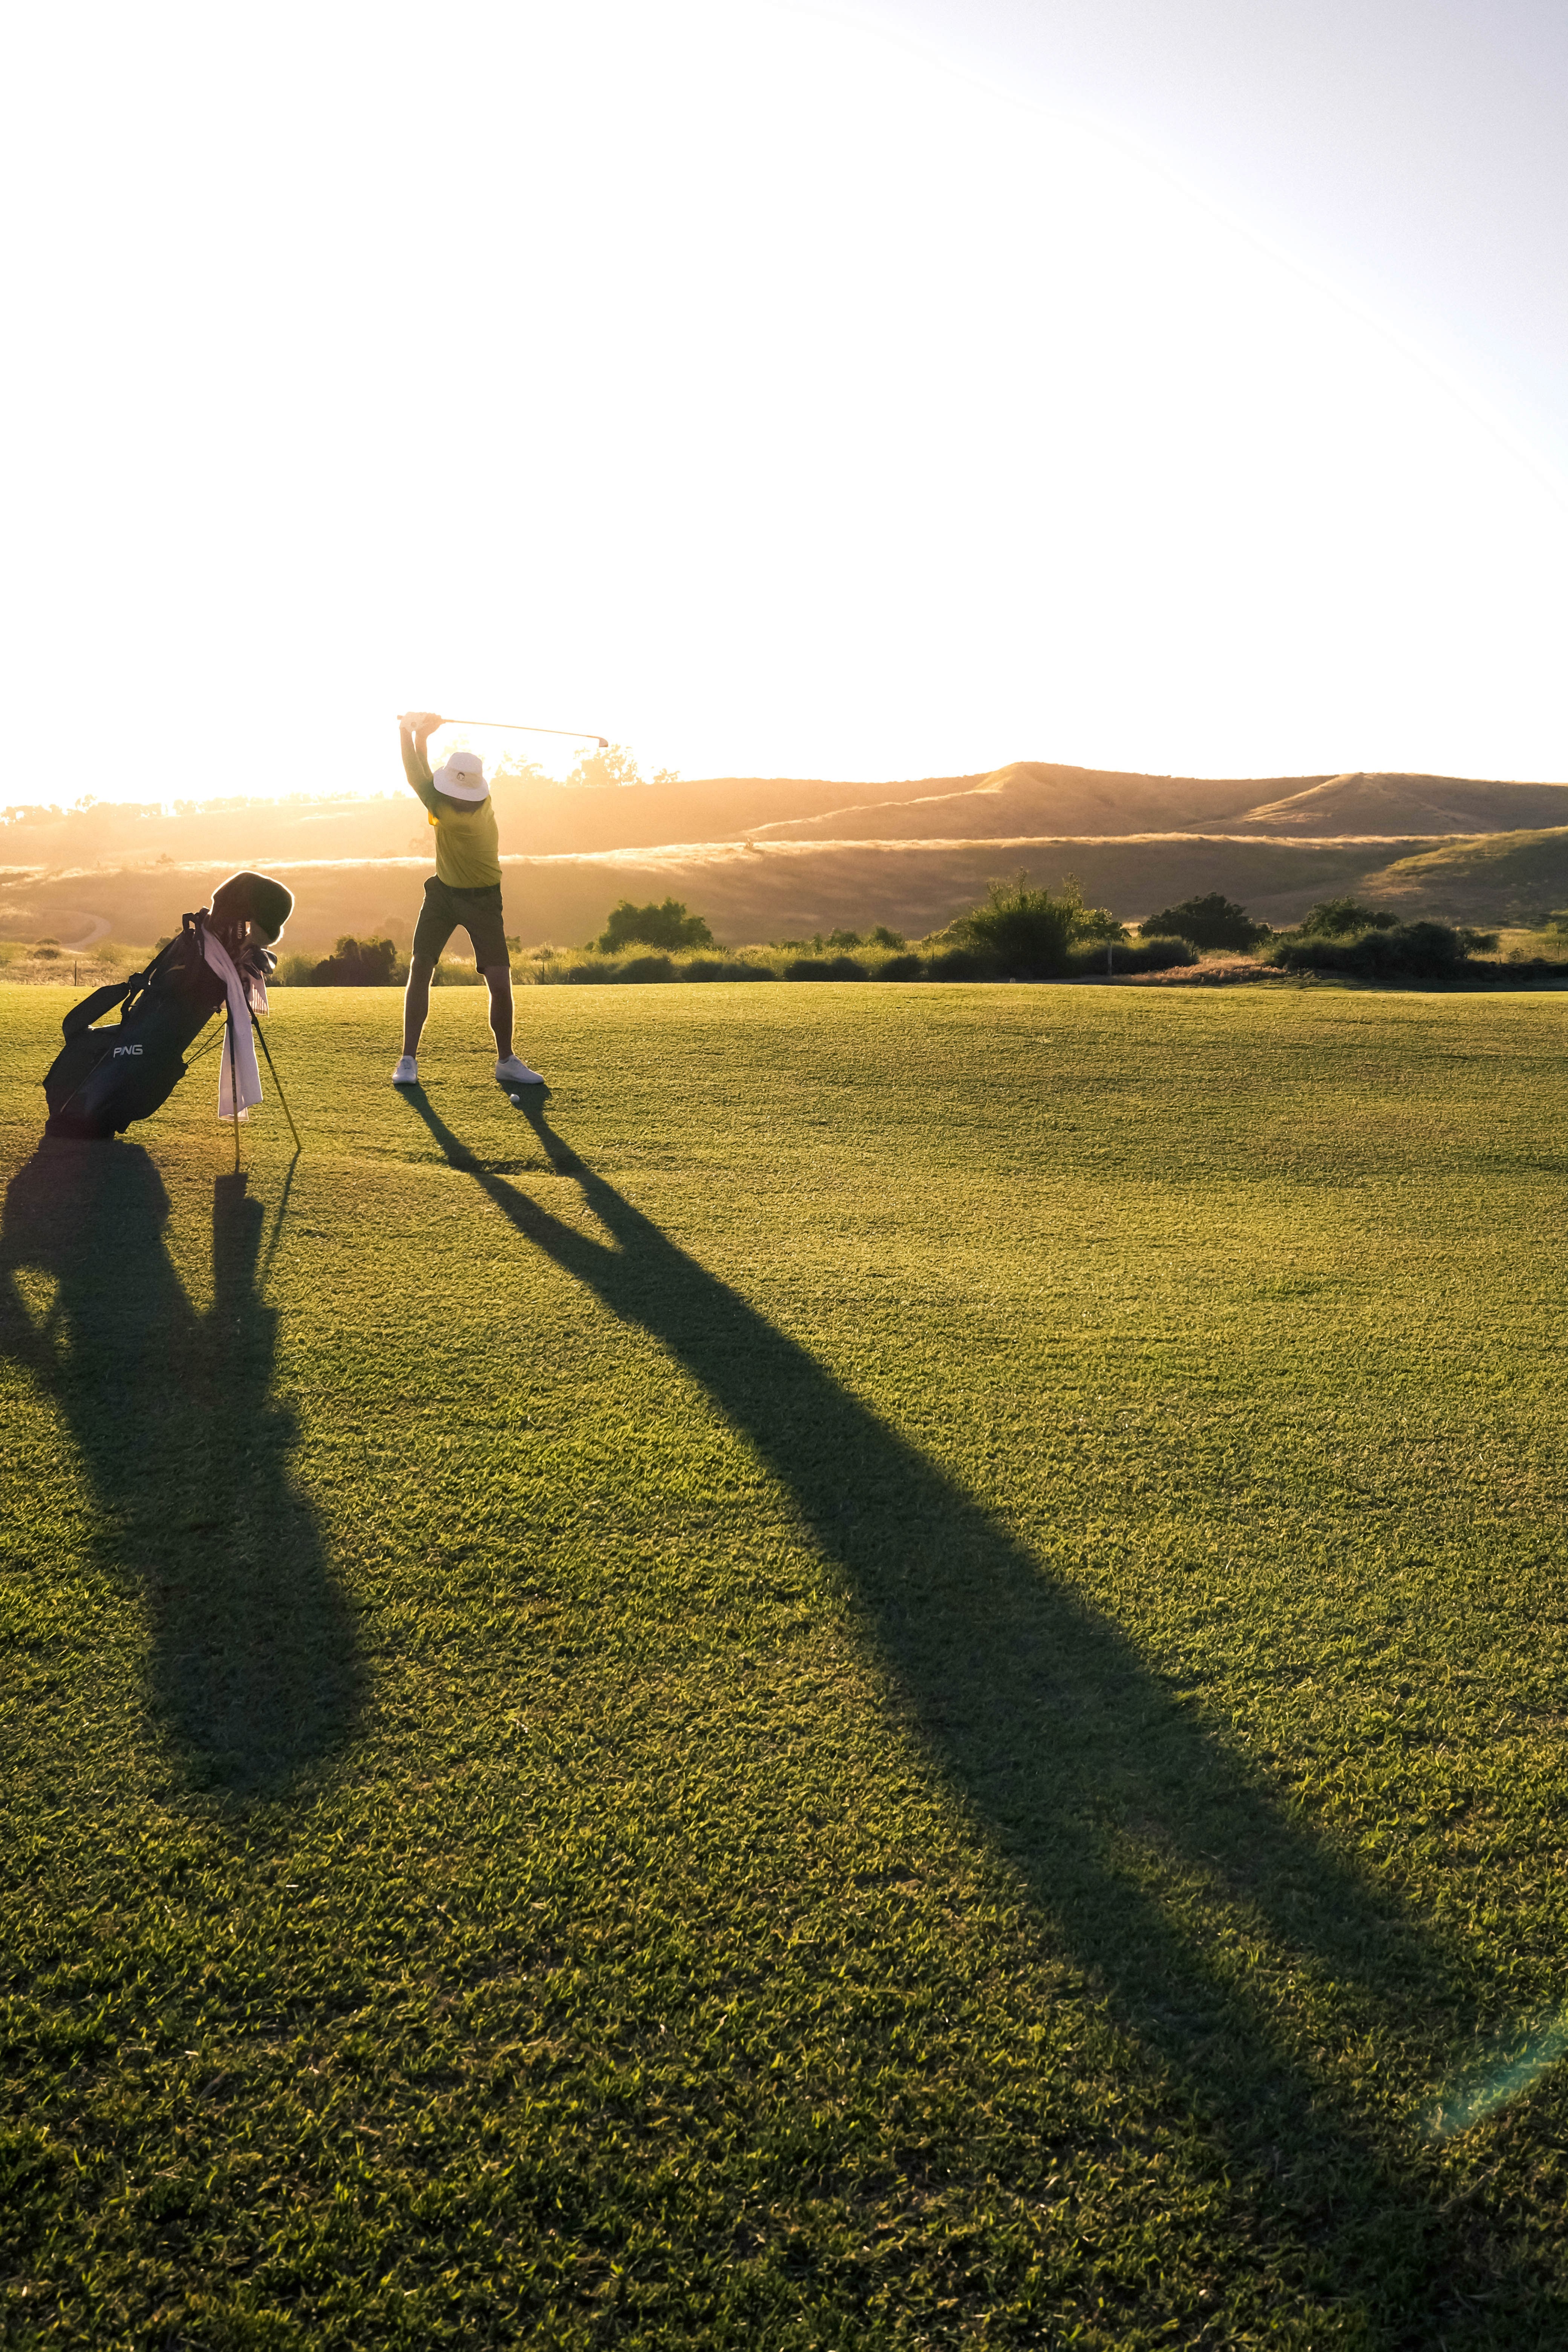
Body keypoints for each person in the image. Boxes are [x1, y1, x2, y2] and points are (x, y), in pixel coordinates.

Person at [391, 712, 542, 1090]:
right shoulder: (476, 798)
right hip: (443, 894)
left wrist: (407, 731)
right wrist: (422, 737)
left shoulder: (449, 810)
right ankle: (407, 1059)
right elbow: (425, 777)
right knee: (421, 966)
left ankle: (506, 1061)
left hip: (483, 901)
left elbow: (417, 777)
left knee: (499, 981)